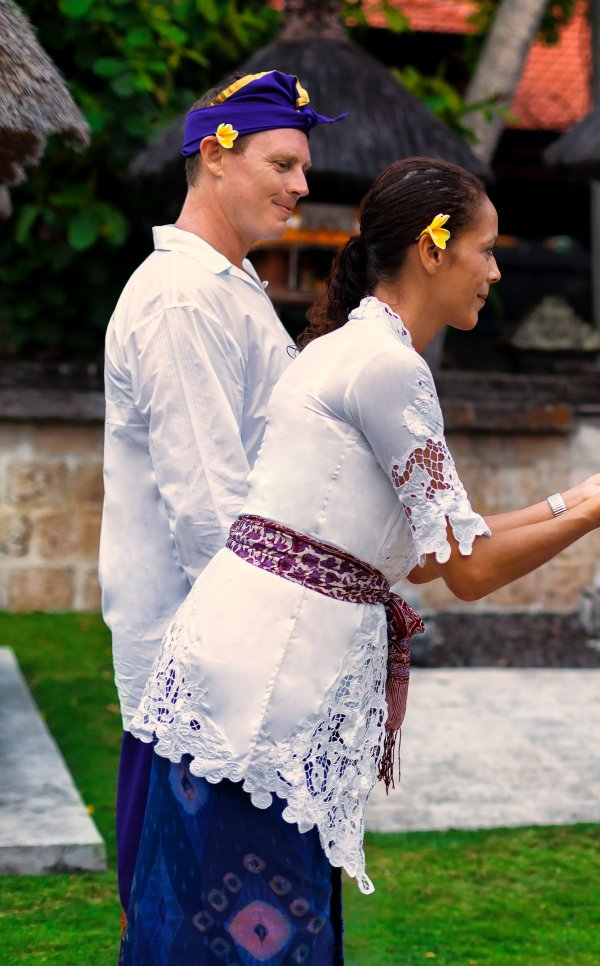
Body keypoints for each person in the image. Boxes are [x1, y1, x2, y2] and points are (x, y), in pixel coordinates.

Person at [119, 157, 600, 964]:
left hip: (230, 672)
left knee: (205, 926)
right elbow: (464, 570)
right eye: (487, 249)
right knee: (256, 935)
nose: (497, 272)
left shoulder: (344, 347)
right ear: (434, 250)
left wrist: (598, 489)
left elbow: (434, 553)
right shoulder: (391, 370)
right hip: (264, 697)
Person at [100, 69, 342, 921]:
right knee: (193, 921)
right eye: (282, 164)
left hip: (243, 660)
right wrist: (271, 654)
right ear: (214, 154)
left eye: (302, 168)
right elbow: (209, 507)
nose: (301, 187)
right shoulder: (180, 298)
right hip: (205, 669)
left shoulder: (229, 286)